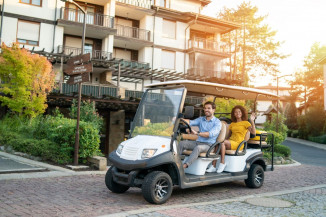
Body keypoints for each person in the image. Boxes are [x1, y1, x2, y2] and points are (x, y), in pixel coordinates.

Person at [206, 105, 256, 173]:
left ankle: (222, 163)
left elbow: (253, 132)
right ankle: (213, 166)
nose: (238, 113)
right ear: (234, 114)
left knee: (223, 143)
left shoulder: (246, 123)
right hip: (231, 141)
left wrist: (252, 121)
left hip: (239, 143)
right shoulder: (232, 124)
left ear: (242, 113)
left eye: (239, 111)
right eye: (235, 112)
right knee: (218, 144)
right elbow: (228, 136)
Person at [178, 101, 221, 169]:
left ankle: (184, 166)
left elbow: (209, 134)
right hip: (198, 142)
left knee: (198, 148)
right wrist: (179, 120)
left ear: (213, 110)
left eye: (209, 108)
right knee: (181, 143)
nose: (206, 110)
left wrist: (197, 133)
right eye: (205, 108)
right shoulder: (201, 119)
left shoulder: (217, 122)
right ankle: (176, 163)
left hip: (209, 145)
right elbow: (191, 122)